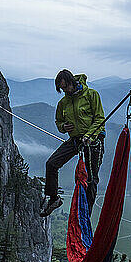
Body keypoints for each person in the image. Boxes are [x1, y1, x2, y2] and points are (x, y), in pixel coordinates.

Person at [40, 69, 106, 217]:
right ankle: (54, 198)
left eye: (65, 87)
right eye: (61, 89)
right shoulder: (63, 102)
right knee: (52, 163)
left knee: (91, 178)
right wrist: (63, 127)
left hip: (93, 140)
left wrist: (90, 135)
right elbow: (58, 121)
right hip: (76, 140)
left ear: (72, 82)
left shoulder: (91, 95)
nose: (64, 90)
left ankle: (85, 215)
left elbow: (100, 119)